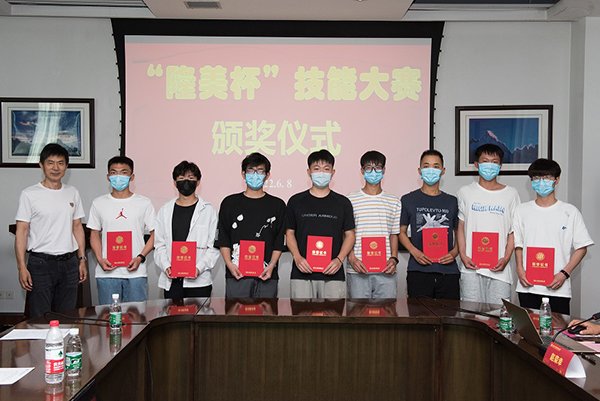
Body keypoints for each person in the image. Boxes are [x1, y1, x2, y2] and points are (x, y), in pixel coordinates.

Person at [15, 143, 87, 318]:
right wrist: (21, 267)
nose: (56, 168)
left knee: (68, 316)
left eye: (60, 163)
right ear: (41, 165)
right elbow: (21, 232)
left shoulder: (72, 192)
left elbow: (77, 227)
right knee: (40, 317)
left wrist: (82, 259)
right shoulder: (29, 194)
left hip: (69, 263)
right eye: (50, 163)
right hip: (41, 264)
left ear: (66, 167)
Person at [513, 158, 593, 315]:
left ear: (557, 180)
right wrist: (520, 269)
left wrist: (564, 273)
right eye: (537, 178)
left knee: (558, 329)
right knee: (528, 328)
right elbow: (518, 245)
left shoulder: (570, 212)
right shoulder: (521, 211)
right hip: (527, 286)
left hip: (558, 287)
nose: (541, 182)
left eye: (547, 177)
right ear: (531, 181)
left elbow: (582, 247)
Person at [285, 149, 355, 298]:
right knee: (300, 312)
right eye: (316, 168)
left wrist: (339, 259)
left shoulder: (343, 203)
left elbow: (350, 235)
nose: (321, 173)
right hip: (301, 272)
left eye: (326, 169)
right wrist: (297, 257)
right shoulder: (296, 201)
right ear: (309, 172)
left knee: (334, 312)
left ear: (333, 172)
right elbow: (289, 233)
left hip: (333, 273)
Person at [215, 152, 286, 298]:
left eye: (260, 171)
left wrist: (272, 265)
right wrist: (229, 264)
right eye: (251, 171)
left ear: (267, 175)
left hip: (267, 274)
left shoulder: (277, 205)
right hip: (236, 274)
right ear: (243, 174)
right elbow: (224, 238)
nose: (255, 175)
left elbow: (279, 241)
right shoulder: (229, 203)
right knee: (235, 312)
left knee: (268, 312)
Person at [457, 144, 521, 305]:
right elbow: (461, 227)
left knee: (499, 314)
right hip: (471, 268)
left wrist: (506, 258)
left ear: (500, 166)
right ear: (476, 164)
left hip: (500, 269)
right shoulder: (465, 192)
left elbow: (513, 231)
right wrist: (463, 255)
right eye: (485, 161)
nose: (489, 166)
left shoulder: (511, 194)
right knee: (470, 313)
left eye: (494, 162)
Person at [87, 156, 155, 305]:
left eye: (123, 172)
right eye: (114, 172)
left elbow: (155, 235)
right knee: (108, 315)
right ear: (108, 177)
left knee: (137, 316)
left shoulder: (144, 203)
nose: (118, 176)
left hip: (136, 273)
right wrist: (100, 258)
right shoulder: (99, 203)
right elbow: (94, 234)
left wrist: (140, 257)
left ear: (132, 177)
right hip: (107, 273)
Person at [154, 161, 220, 298]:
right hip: (172, 280)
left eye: (190, 178)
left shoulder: (208, 211)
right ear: (174, 182)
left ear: (198, 182)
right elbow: (159, 245)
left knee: (200, 312)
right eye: (181, 178)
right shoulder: (165, 210)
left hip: (199, 282)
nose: (186, 182)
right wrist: (166, 266)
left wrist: (198, 268)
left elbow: (213, 247)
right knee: (172, 312)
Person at [399, 150, 459, 299]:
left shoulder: (452, 201)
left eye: (436, 166)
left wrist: (454, 253)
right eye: (426, 166)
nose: (431, 170)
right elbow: (401, 231)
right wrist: (414, 252)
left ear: (443, 171)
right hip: (418, 270)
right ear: (419, 170)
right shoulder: (408, 199)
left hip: (448, 271)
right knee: (418, 313)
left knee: (449, 313)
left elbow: (459, 233)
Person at [346, 150, 401, 298]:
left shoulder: (394, 201)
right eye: (369, 168)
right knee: (357, 311)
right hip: (357, 269)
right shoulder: (350, 200)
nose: (373, 171)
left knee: (388, 311)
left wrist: (394, 258)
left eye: (378, 167)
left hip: (386, 270)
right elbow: (346, 234)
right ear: (362, 171)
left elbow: (394, 234)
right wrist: (351, 258)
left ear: (384, 170)